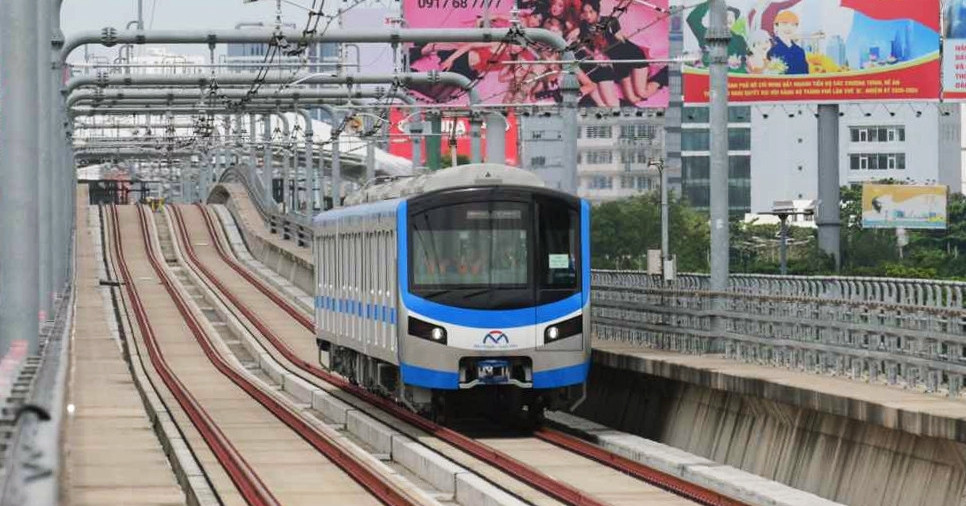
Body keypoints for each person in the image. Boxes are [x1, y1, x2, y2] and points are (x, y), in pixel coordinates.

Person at [579, 0, 665, 104]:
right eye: (585, 12)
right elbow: (587, 47)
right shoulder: (584, 26)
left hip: (632, 56)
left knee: (642, 93)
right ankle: (646, 77)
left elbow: (622, 40)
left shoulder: (611, 21)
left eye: (591, 11)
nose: (588, 15)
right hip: (619, 64)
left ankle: (663, 75)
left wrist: (605, 32)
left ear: (597, 11)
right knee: (632, 99)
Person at [687, 1, 748, 73]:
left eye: (733, 16)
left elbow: (746, 58)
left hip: (732, 79)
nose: (730, 18)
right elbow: (692, 19)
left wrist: (739, 61)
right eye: (727, 15)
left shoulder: (739, 40)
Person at [768, 10, 808, 74]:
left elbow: (805, 74)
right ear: (776, 26)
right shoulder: (769, 47)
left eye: (793, 25)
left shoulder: (800, 51)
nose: (789, 28)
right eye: (784, 23)